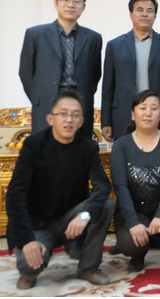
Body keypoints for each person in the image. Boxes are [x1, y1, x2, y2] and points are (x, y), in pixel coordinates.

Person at [6, 90, 114, 289]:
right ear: (50, 119)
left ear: (81, 122)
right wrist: (27, 240)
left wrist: (84, 215)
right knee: (29, 269)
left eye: (75, 115)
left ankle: (88, 267)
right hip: (37, 224)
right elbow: (15, 194)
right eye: (63, 114)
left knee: (105, 205)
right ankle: (36, 258)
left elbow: (103, 185)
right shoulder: (33, 145)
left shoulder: (88, 147)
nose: (69, 120)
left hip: (69, 221)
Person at [109, 90, 160, 274]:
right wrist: (133, 222)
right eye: (142, 108)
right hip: (135, 209)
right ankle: (139, 253)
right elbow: (120, 187)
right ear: (133, 114)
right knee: (130, 245)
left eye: (154, 108)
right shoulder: (121, 145)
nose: (148, 113)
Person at [19, 0, 102, 136]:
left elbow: (95, 74)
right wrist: (39, 99)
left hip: (80, 105)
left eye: (76, 1)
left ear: (83, 7)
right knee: (45, 148)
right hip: (46, 105)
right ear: (56, 3)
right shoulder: (35, 34)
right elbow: (26, 72)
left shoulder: (93, 38)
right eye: (65, 0)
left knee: (80, 148)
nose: (71, 5)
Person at [101, 0, 160, 141]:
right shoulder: (114, 46)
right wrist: (106, 121)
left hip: (158, 116)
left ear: (155, 16)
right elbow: (108, 88)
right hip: (123, 115)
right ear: (131, 15)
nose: (144, 14)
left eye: (149, 10)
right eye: (140, 10)